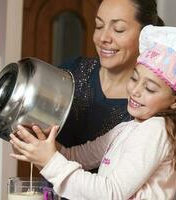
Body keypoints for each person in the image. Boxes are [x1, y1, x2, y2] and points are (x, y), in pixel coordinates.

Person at [9, 25, 176, 199]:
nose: (136, 91)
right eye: (135, 78)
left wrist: (49, 161)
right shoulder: (126, 128)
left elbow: (111, 193)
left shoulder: (156, 130)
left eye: (149, 88)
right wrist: (42, 146)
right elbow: (75, 157)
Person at [57, 0, 165, 154]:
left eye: (118, 29)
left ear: (145, 35)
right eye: (99, 26)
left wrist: (47, 156)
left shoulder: (147, 106)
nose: (103, 38)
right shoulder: (71, 71)